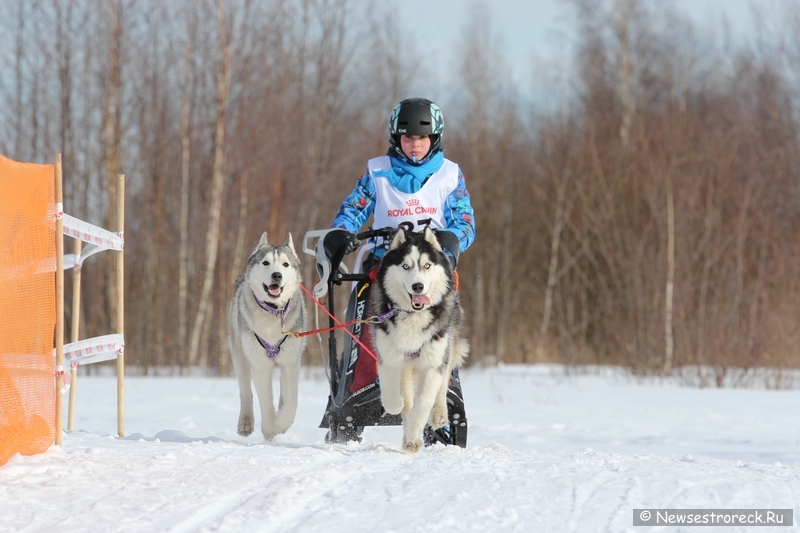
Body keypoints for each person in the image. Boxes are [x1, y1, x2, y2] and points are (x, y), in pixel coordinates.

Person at [331, 97, 476, 393]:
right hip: (384, 261)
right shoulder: (378, 171)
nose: (415, 143)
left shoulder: (449, 175)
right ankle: (363, 380)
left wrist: (452, 240)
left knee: (445, 305)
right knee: (368, 298)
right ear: (397, 138)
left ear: (433, 138)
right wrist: (342, 232)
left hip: (430, 265)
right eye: (408, 136)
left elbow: (465, 221)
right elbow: (354, 209)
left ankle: (441, 382)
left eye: (422, 137)